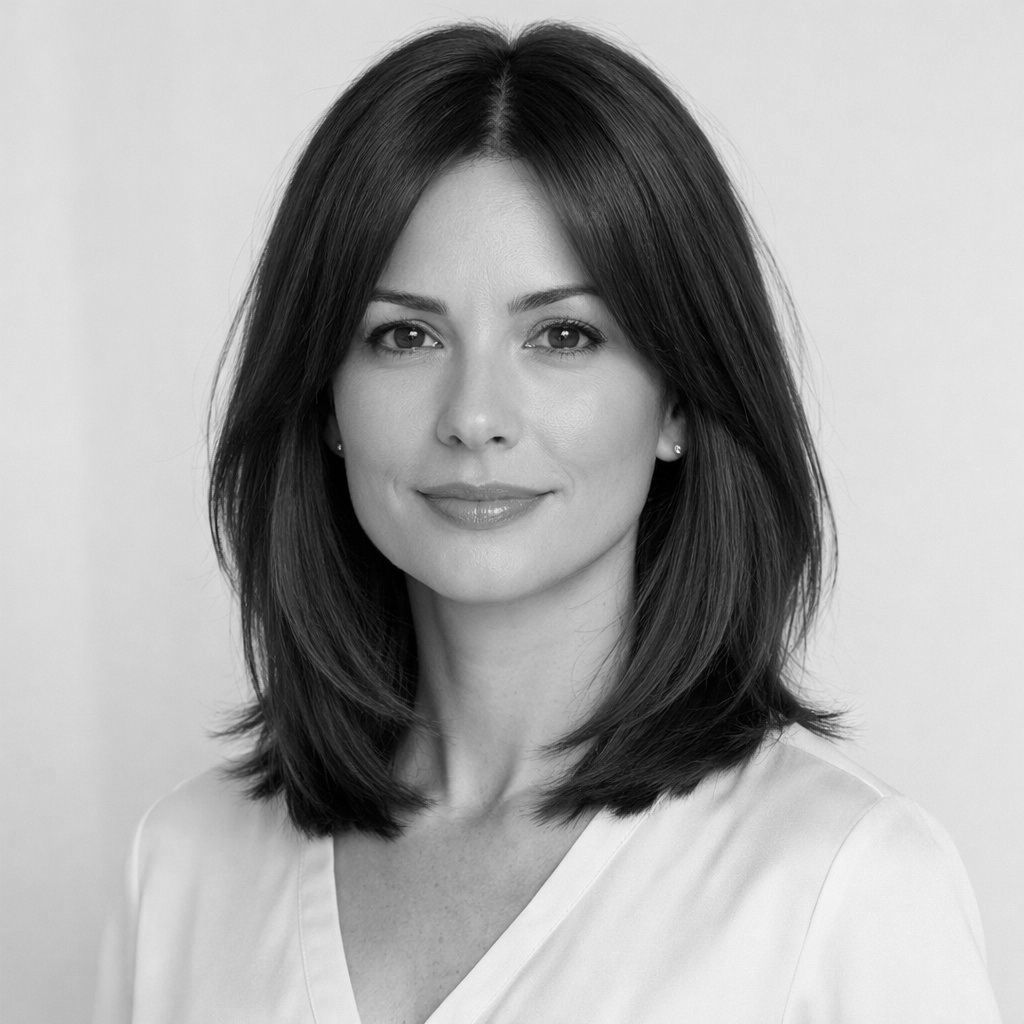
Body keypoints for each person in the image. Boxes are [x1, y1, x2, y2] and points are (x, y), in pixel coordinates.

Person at [93, 20, 1002, 1024]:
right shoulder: (182, 867)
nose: (474, 416)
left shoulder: (842, 886)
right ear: (324, 401)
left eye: (562, 335)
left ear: (676, 402)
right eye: (404, 335)